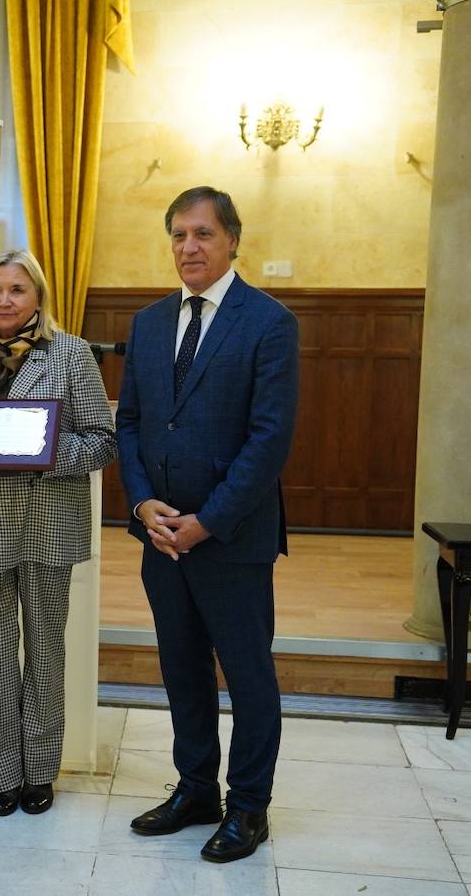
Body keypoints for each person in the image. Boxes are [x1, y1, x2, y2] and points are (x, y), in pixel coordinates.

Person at [116, 186, 299, 862]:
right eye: (177, 235)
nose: (188, 247)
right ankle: (197, 788)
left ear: (231, 241)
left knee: (248, 676)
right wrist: (142, 506)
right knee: (182, 670)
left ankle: (249, 806)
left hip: (230, 538)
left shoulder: (268, 322)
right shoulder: (149, 321)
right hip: (160, 538)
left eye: (201, 234)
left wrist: (208, 520)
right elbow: (130, 421)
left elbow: (269, 438)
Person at [0, 249, 116, 816]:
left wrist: (44, 451)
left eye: (17, 289)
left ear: (39, 296)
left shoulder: (71, 355)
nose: (5, 301)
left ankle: (40, 770)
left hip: (48, 520)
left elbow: (102, 441)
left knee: (45, 648)